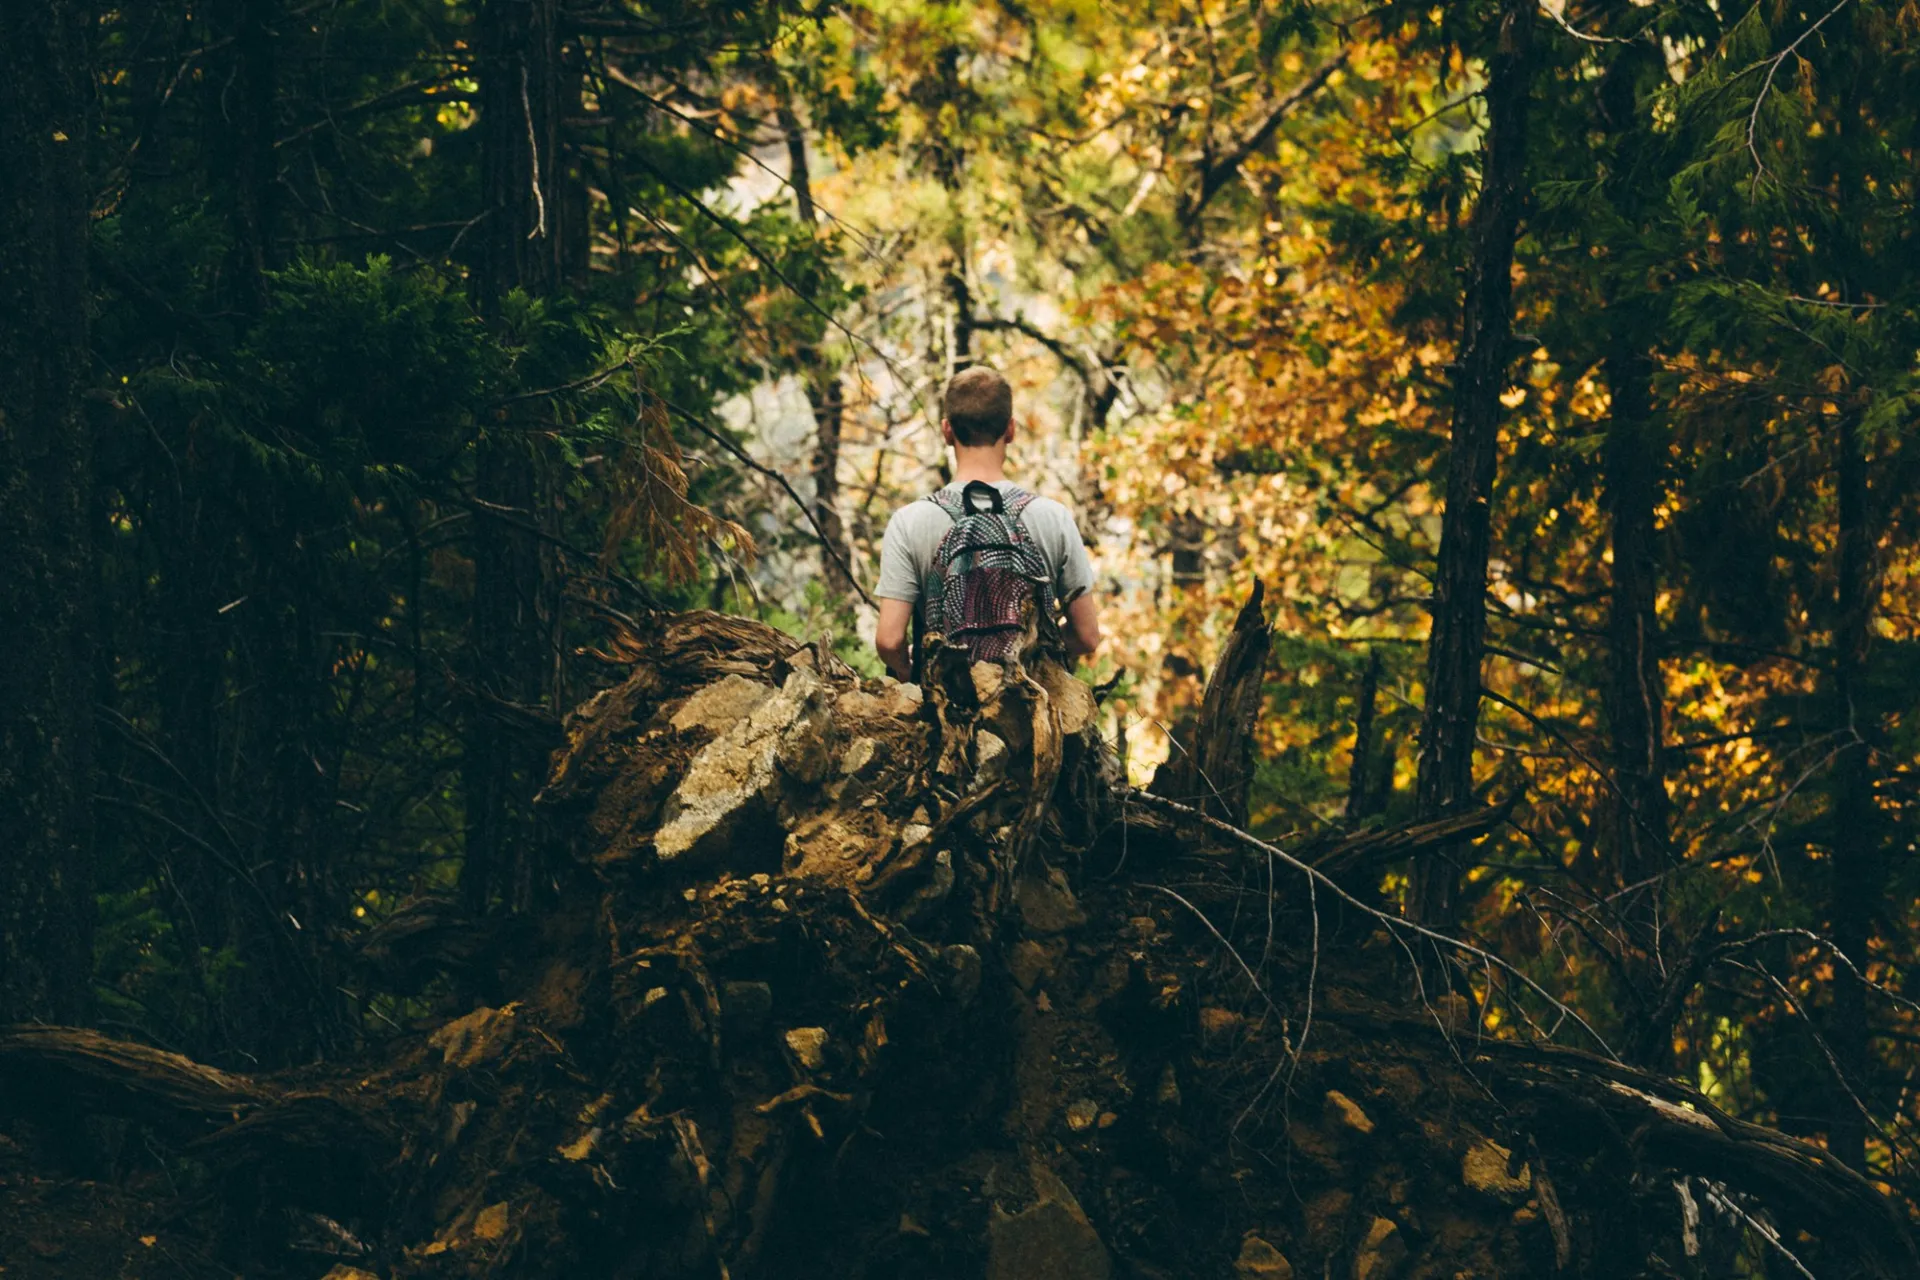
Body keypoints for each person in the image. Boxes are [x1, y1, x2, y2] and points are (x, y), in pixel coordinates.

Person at [874, 366, 1102, 681]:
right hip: (1030, 714)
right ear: (1010, 430)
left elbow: (889, 640)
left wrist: (912, 668)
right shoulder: (1054, 518)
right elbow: (1088, 636)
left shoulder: (909, 522)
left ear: (947, 431)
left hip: (949, 714)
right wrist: (1032, 652)